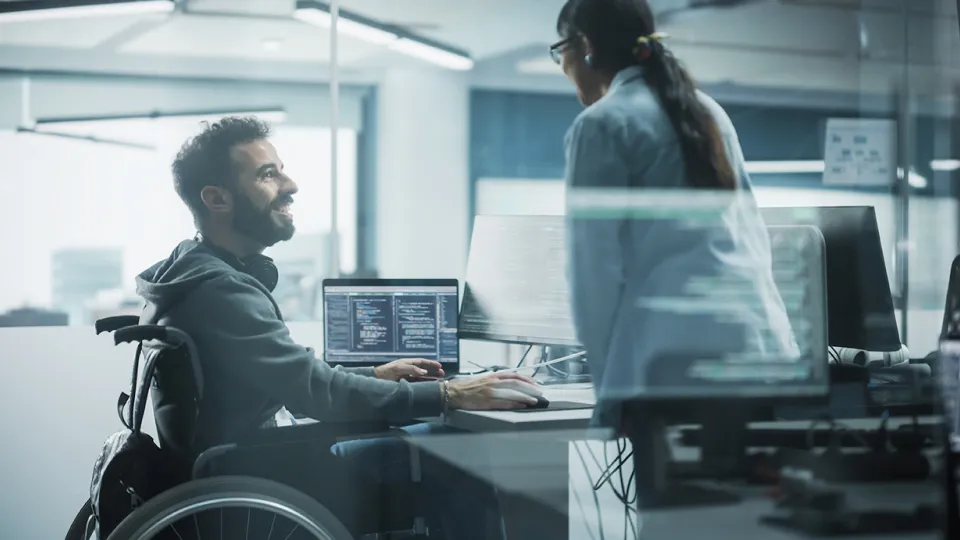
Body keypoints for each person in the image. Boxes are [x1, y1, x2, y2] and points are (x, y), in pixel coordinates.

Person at [135, 116, 539, 539]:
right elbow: (317, 392)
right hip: (259, 477)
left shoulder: (192, 271)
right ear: (217, 199)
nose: (290, 185)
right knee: (455, 450)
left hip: (245, 463)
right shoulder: (221, 291)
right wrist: (449, 394)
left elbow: (293, 380)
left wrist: (376, 374)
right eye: (268, 174)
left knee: (427, 434)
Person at [552, 0, 800, 480]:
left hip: (677, 369)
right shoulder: (707, 111)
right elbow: (751, 236)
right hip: (758, 355)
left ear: (584, 46)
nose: (561, 65)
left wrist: (609, 395)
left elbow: (593, 276)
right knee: (743, 512)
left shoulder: (601, 124)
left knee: (682, 515)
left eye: (560, 50)